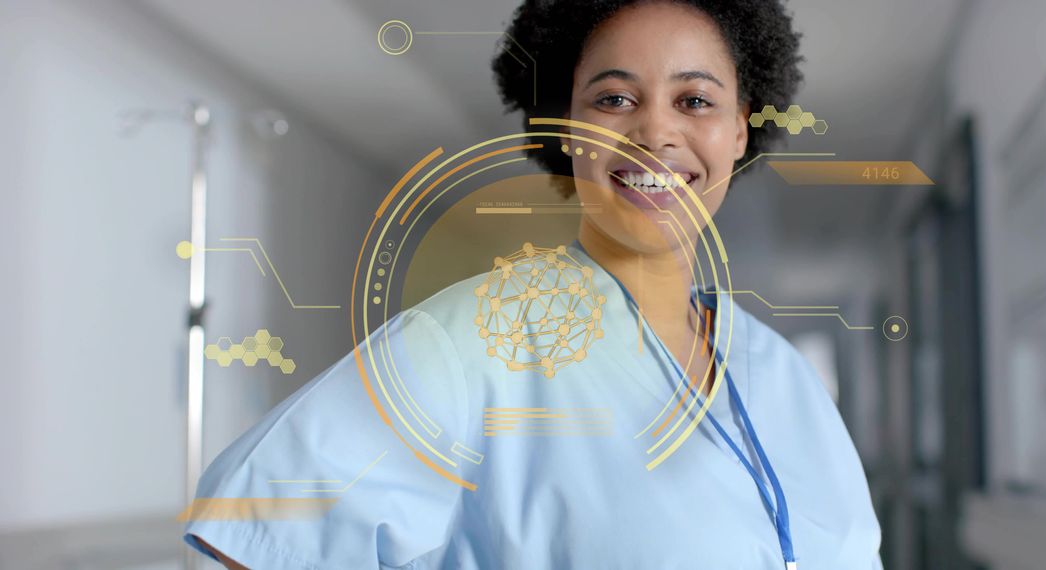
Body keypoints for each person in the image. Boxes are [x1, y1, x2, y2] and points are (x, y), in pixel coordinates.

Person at [184, 1, 883, 568]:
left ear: (739, 129)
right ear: (568, 128)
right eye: (614, 98)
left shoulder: (782, 373)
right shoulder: (472, 343)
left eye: (695, 100)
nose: (655, 132)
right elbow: (261, 531)